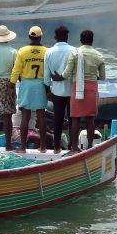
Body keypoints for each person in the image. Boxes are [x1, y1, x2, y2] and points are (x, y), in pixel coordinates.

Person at [56, 30, 105, 151]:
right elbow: (102, 76)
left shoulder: (75, 53)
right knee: (90, 118)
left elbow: (66, 73)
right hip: (92, 87)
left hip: (77, 86)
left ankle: (74, 147)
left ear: (81, 40)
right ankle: (89, 146)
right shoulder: (99, 55)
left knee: (75, 117)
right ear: (92, 40)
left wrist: (58, 77)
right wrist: (93, 77)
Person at [9, 26, 48, 154]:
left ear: (29, 37)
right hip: (40, 84)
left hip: (26, 84)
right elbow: (48, 70)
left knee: (25, 116)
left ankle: (23, 147)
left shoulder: (22, 51)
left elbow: (16, 70)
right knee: (41, 115)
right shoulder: (46, 51)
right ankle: (43, 146)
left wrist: (12, 84)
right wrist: (48, 87)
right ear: (40, 37)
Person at [43, 25, 76, 154]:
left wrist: (48, 90)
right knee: (73, 119)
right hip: (72, 90)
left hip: (57, 92)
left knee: (58, 119)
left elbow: (46, 76)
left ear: (55, 37)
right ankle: (73, 146)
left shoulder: (49, 52)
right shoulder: (74, 51)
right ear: (67, 37)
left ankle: (57, 147)